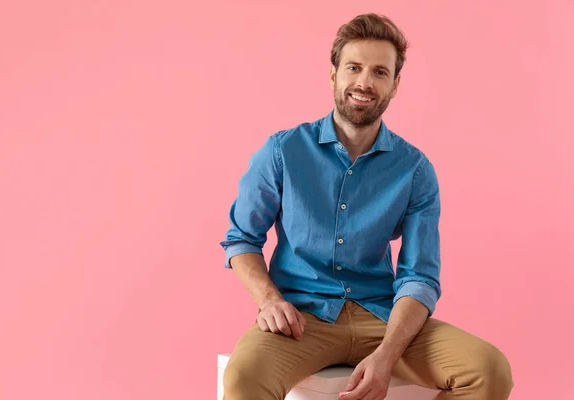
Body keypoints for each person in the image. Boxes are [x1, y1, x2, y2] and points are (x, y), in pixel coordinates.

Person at [219, 13, 513, 400]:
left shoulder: (415, 170)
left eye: (379, 72)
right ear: (333, 75)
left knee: (489, 370)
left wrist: (387, 355)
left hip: (383, 318)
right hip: (302, 319)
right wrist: (269, 300)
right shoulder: (282, 152)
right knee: (243, 378)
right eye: (354, 68)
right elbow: (242, 239)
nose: (364, 83)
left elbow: (420, 276)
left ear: (394, 85)